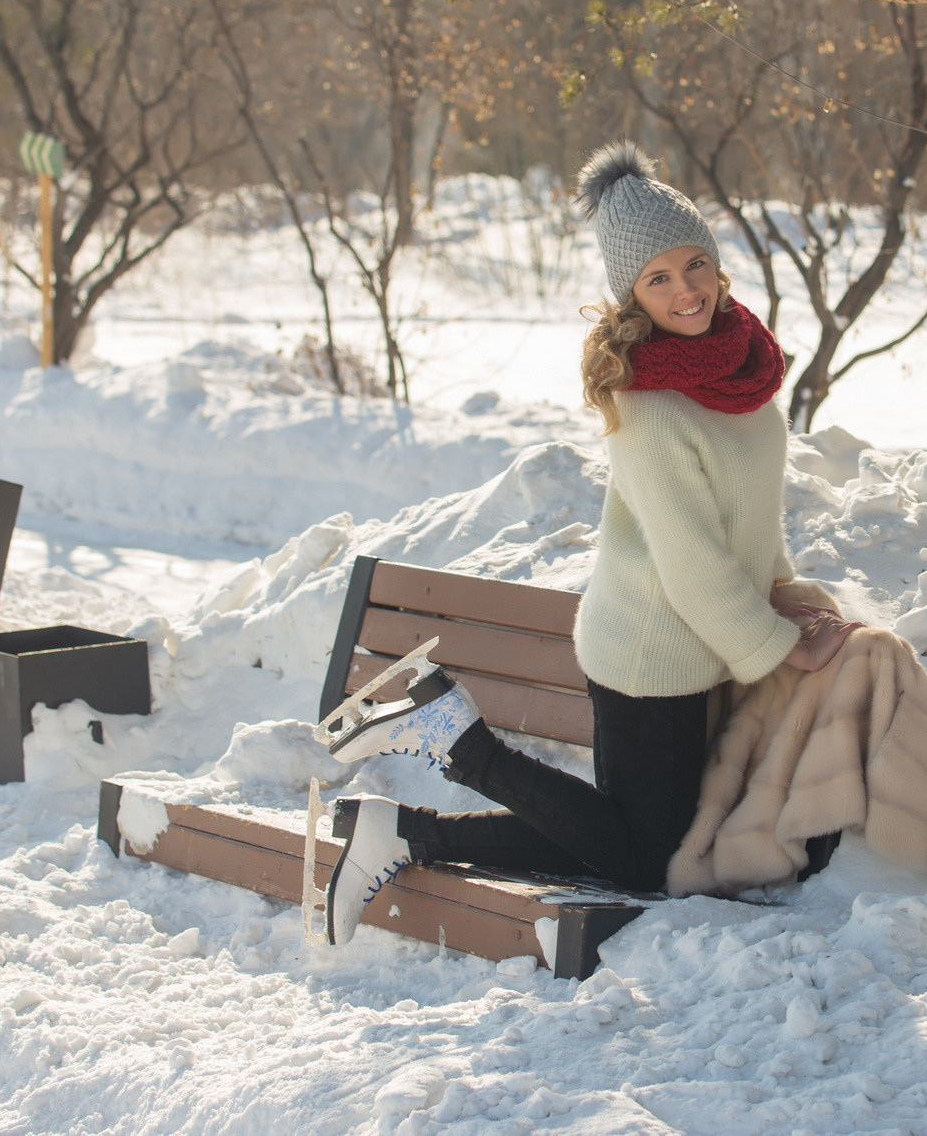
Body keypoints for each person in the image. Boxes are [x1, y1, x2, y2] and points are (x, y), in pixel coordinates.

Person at [319, 142, 851, 945]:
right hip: (648, 653)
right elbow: (691, 562)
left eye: (694, 265)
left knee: (627, 844)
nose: (686, 291)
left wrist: (786, 593)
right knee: (647, 865)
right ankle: (454, 741)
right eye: (658, 279)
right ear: (631, 294)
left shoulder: (746, 385)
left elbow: (746, 525)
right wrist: (781, 648)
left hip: (708, 644)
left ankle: (403, 834)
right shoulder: (648, 404)